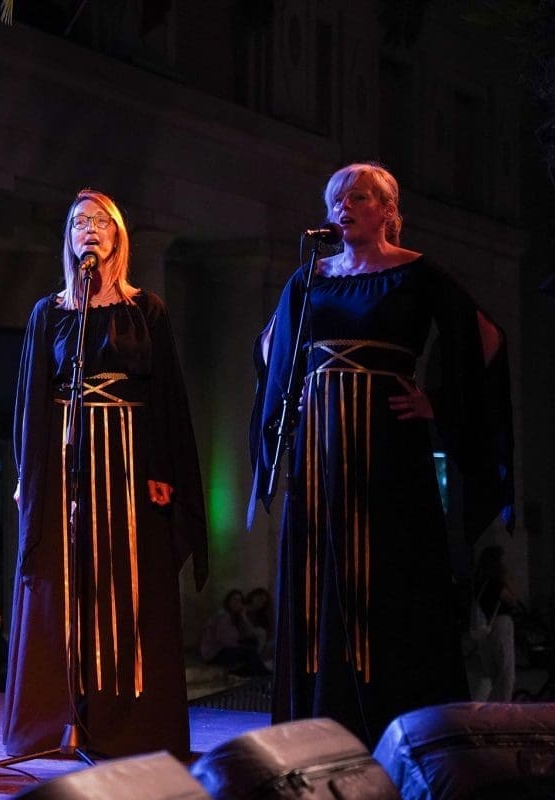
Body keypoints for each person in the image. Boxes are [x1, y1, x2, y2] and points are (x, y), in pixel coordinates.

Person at [249, 162, 513, 745]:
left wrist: (438, 403)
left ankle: (392, 721)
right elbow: (269, 346)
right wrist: (300, 391)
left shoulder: (417, 273)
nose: (343, 207)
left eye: (359, 197)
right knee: (321, 571)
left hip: (389, 446)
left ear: (388, 210)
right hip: (320, 450)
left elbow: (487, 337)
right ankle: (320, 722)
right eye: (336, 198)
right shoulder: (311, 277)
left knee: (388, 570)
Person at [5, 189, 208, 760]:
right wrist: (26, 474)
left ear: (117, 236)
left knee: (125, 585)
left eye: (100, 221)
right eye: (79, 222)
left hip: (127, 460)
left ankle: (128, 723)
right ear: (69, 238)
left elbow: (167, 395)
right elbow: (29, 400)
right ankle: (60, 719)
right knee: (62, 585)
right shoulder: (50, 313)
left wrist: (163, 468)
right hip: (64, 459)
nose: (89, 229)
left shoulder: (146, 310)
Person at [469, 545, 519, 702]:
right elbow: (513, 600)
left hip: (483, 628)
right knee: (505, 673)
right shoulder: (497, 582)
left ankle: (489, 705)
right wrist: (507, 580)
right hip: (500, 625)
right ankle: (501, 708)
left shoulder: (479, 582)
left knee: (492, 671)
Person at [200, 589, 270, 677]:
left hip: (226, 647)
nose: (237, 603)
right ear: (228, 602)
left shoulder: (233, 616)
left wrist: (243, 616)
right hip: (215, 652)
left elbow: (248, 633)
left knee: (252, 642)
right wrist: (239, 646)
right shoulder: (223, 615)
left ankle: (249, 671)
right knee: (249, 652)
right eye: (234, 600)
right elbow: (222, 639)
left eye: (239, 601)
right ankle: (264, 674)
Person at [244, 586, 274, 658]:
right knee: (261, 632)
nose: (260, 603)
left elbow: (267, 635)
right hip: (242, 640)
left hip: (256, 645)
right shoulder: (241, 609)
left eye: (263, 603)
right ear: (253, 596)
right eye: (259, 599)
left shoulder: (261, 617)